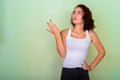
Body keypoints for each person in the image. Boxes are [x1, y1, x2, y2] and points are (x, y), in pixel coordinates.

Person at [47, 4, 106, 80]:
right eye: (74, 12)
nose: (75, 14)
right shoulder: (65, 32)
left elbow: (102, 52)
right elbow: (62, 54)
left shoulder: (91, 34)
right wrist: (57, 35)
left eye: (79, 12)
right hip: (67, 72)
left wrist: (91, 67)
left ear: (85, 17)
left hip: (83, 73)